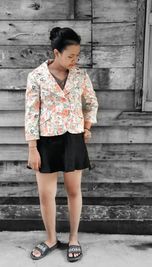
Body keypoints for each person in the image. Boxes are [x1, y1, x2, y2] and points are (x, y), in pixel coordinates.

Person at [24, 26, 98, 262]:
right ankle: (51, 239)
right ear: (56, 52)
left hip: (73, 138)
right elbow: (31, 114)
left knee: (73, 191)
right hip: (46, 141)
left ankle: (74, 238)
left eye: (78, 56)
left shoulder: (80, 76)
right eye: (70, 56)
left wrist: (87, 127)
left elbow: (91, 102)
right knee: (46, 194)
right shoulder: (36, 76)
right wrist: (32, 148)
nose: (75, 60)